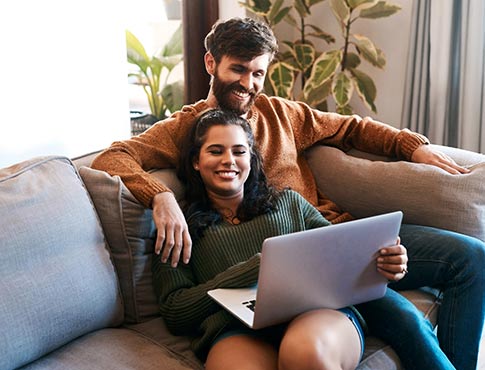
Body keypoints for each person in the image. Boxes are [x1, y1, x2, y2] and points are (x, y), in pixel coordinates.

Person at [92, 17, 485, 370]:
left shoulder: (282, 114)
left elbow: (352, 128)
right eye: (239, 69)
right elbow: (114, 156)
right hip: (268, 282)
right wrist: (159, 196)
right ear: (211, 64)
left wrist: (412, 146)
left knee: (468, 259)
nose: (249, 84)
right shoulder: (185, 129)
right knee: (399, 317)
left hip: (333, 242)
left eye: (259, 73)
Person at [152, 108, 411, 369]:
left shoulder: (288, 203)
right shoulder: (179, 226)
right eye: (216, 151)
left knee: (306, 354)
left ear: (251, 159)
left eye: (239, 151)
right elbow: (176, 312)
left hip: (313, 313)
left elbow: (343, 257)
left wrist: (386, 263)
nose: (229, 160)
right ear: (196, 160)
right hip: (235, 329)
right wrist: (254, 269)